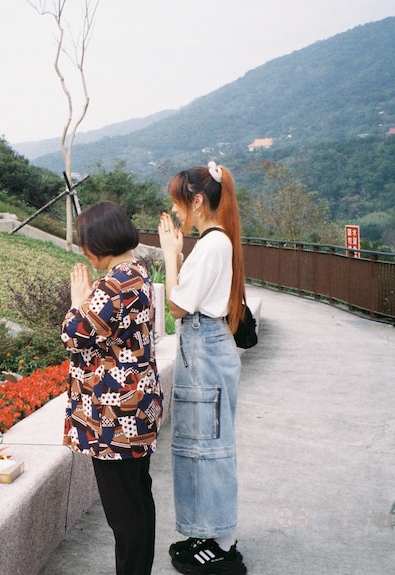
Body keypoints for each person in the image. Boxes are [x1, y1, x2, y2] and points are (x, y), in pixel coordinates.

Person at [61, 200, 164, 575]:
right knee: (138, 501)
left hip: (114, 418)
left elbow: (74, 335)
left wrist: (78, 301)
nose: (83, 252)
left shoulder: (114, 283)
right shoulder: (138, 271)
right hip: (137, 409)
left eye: (84, 244)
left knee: (124, 515)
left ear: (100, 242)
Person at [157, 162, 248, 575]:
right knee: (204, 445)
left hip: (205, 350)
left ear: (196, 201)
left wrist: (170, 256)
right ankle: (209, 534)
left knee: (207, 448)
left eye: (179, 203)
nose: (177, 212)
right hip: (209, 349)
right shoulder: (219, 241)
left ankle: (220, 543)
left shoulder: (212, 245)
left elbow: (177, 305)